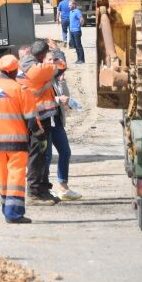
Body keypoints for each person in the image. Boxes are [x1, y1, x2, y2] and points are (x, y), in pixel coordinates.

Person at [0, 54, 37, 224]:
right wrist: (39, 138)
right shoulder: (20, 89)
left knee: (3, 176)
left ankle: (6, 208)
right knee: (16, 177)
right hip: (17, 144)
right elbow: (31, 119)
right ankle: (14, 213)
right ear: (14, 71)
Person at [17, 39, 67, 205]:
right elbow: (61, 66)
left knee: (41, 154)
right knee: (37, 155)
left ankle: (42, 189)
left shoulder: (23, 65)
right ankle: (35, 192)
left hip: (33, 116)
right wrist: (57, 51)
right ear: (42, 55)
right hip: (38, 118)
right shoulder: (39, 70)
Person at [47, 69, 82, 200]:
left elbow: (66, 98)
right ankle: (44, 189)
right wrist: (57, 99)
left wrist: (62, 82)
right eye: (50, 59)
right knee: (47, 156)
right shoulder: (40, 78)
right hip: (44, 120)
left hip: (56, 120)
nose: (54, 64)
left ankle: (63, 188)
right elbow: (37, 98)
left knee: (65, 152)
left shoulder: (55, 79)